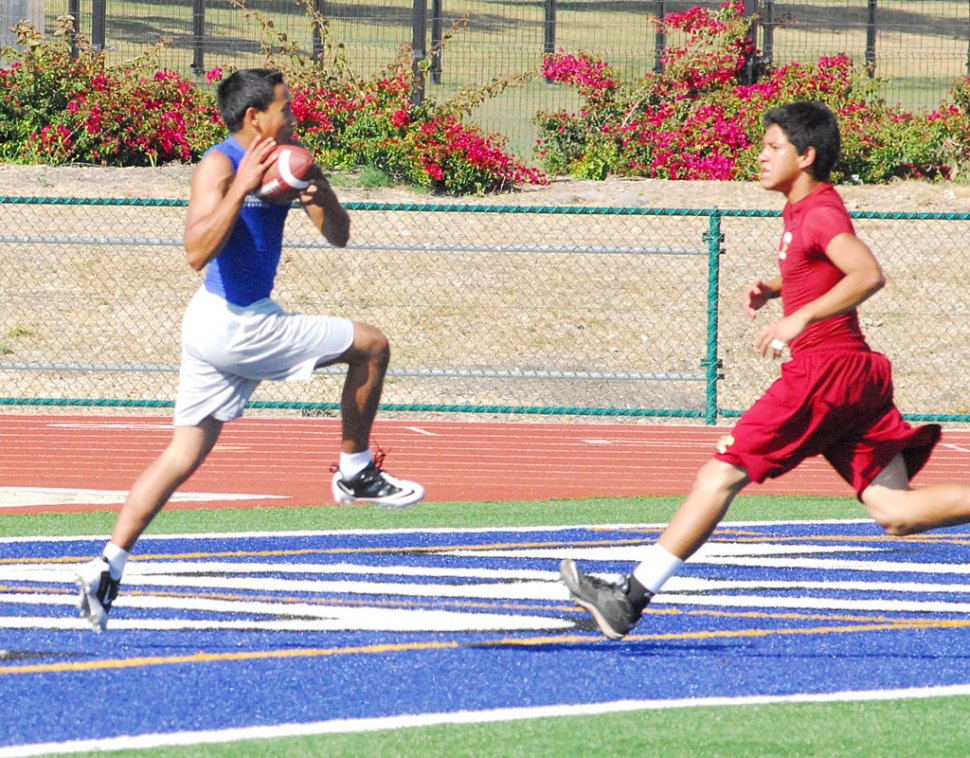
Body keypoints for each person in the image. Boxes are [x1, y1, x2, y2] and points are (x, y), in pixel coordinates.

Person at [560, 100, 970, 640]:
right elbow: (818, 265)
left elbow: (868, 273)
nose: (760, 157)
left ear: (807, 155)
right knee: (896, 512)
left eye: (774, 147)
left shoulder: (820, 212)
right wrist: (778, 287)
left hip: (825, 373)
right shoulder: (802, 210)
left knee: (720, 473)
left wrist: (796, 317)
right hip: (853, 376)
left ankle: (628, 599)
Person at [74, 68, 424, 632]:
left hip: (227, 324)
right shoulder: (218, 163)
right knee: (372, 345)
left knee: (182, 455)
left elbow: (339, 235)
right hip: (231, 322)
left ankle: (106, 566)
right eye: (284, 108)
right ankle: (354, 469)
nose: (293, 115)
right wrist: (241, 188)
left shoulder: (292, 156)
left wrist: (321, 193)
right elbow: (194, 250)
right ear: (253, 116)